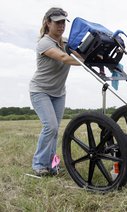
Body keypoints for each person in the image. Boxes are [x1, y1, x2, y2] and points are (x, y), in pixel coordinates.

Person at [29, 7, 81, 176]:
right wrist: (84, 60)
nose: (61, 26)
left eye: (63, 22)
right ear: (48, 23)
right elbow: (64, 58)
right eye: (57, 22)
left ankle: (52, 165)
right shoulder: (44, 43)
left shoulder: (66, 42)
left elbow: (82, 51)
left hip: (59, 92)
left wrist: (97, 56)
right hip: (40, 91)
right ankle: (39, 164)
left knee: (55, 129)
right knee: (50, 127)